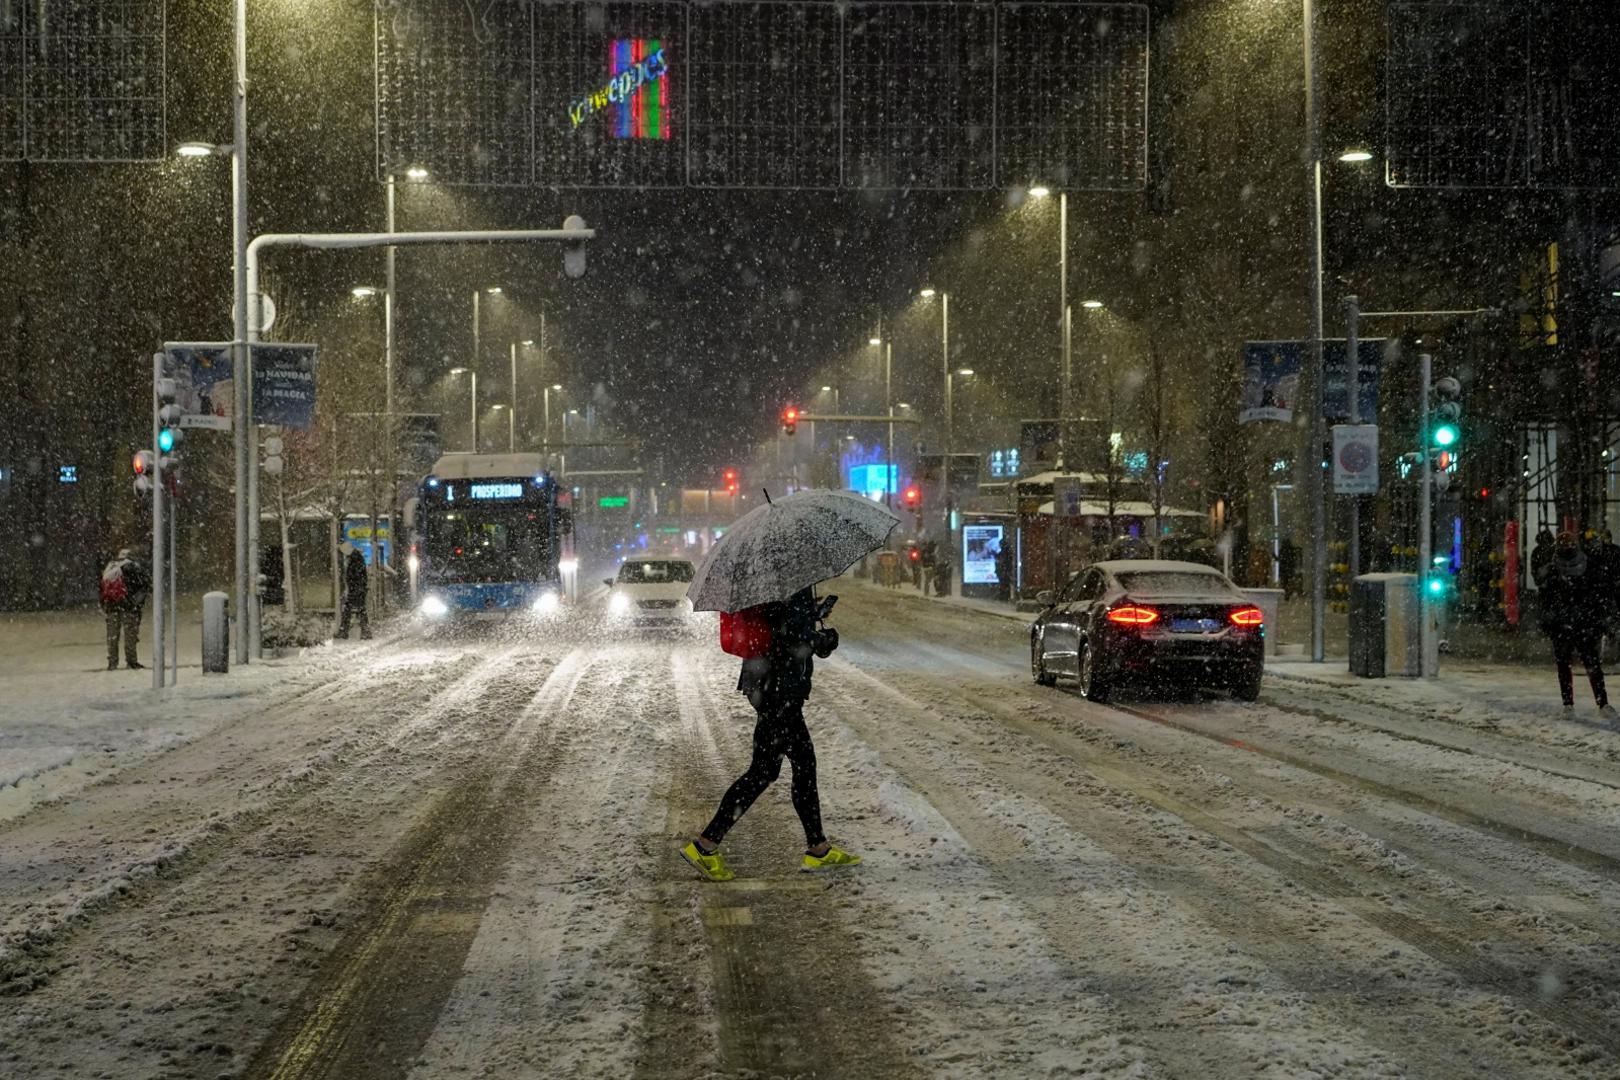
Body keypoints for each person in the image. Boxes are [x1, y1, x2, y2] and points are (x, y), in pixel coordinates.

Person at [682, 587, 860, 881]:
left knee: (785, 767)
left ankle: (817, 848)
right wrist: (819, 638)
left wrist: (812, 617)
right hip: (778, 688)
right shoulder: (789, 583)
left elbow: (780, 624)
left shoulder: (774, 582)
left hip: (768, 684)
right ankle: (706, 845)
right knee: (776, 769)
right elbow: (786, 635)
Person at [1535, 531, 1617, 721]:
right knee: (1571, 664)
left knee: (1590, 664)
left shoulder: (1581, 566)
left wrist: (1598, 617)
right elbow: (1546, 597)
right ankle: (1574, 704)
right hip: (1567, 623)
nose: (1567, 548)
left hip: (1581, 622)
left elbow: (1599, 593)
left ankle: (1599, 703)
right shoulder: (1557, 569)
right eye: (1564, 544)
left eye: (1569, 544)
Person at [100, 547, 150, 670]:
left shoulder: (111, 566)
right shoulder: (134, 566)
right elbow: (145, 585)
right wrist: (136, 603)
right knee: (130, 636)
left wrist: (105, 604)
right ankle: (131, 661)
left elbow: (102, 587)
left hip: (111, 605)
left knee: (112, 636)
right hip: (129, 606)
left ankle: (112, 662)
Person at [336, 542, 371, 640]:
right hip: (358, 589)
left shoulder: (355, 560)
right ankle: (365, 632)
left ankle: (344, 631)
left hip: (356, 590)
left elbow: (355, 576)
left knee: (349, 610)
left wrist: (354, 586)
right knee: (360, 610)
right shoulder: (357, 558)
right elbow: (361, 576)